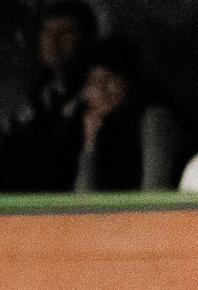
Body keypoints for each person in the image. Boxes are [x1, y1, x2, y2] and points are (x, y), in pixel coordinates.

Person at [0, 0, 96, 194]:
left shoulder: (96, 94)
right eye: (48, 32)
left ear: (87, 40)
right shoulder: (33, 96)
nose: (53, 41)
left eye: (66, 33)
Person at [73, 36, 188, 194]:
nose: (100, 89)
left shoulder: (155, 119)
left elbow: (155, 197)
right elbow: (81, 206)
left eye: (109, 78)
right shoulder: (98, 128)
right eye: (93, 81)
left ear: (129, 81)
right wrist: (90, 145)